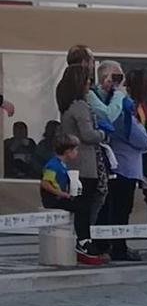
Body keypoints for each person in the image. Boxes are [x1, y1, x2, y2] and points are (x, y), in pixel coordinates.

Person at [56, 65, 109, 262]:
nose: (90, 84)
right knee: (84, 205)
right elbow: (87, 134)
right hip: (84, 164)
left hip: (74, 164)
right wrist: (103, 134)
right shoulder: (80, 106)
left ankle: (83, 240)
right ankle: (84, 241)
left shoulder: (67, 105)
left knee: (81, 204)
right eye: (87, 80)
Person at [103, 68, 147, 262]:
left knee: (122, 209)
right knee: (120, 210)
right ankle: (118, 247)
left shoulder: (133, 109)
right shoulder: (123, 112)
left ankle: (118, 245)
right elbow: (141, 139)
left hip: (128, 165)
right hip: (123, 166)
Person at [40, 133, 106, 266]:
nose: (77, 153)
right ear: (68, 151)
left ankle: (85, 239)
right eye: (75, 150)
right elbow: (46, 183)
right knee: (81, 207)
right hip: (53, 199)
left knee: (84, 205)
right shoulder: (53, 165)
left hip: (60, 196)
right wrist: (62, 194)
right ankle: (83, 241)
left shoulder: (62, 164)